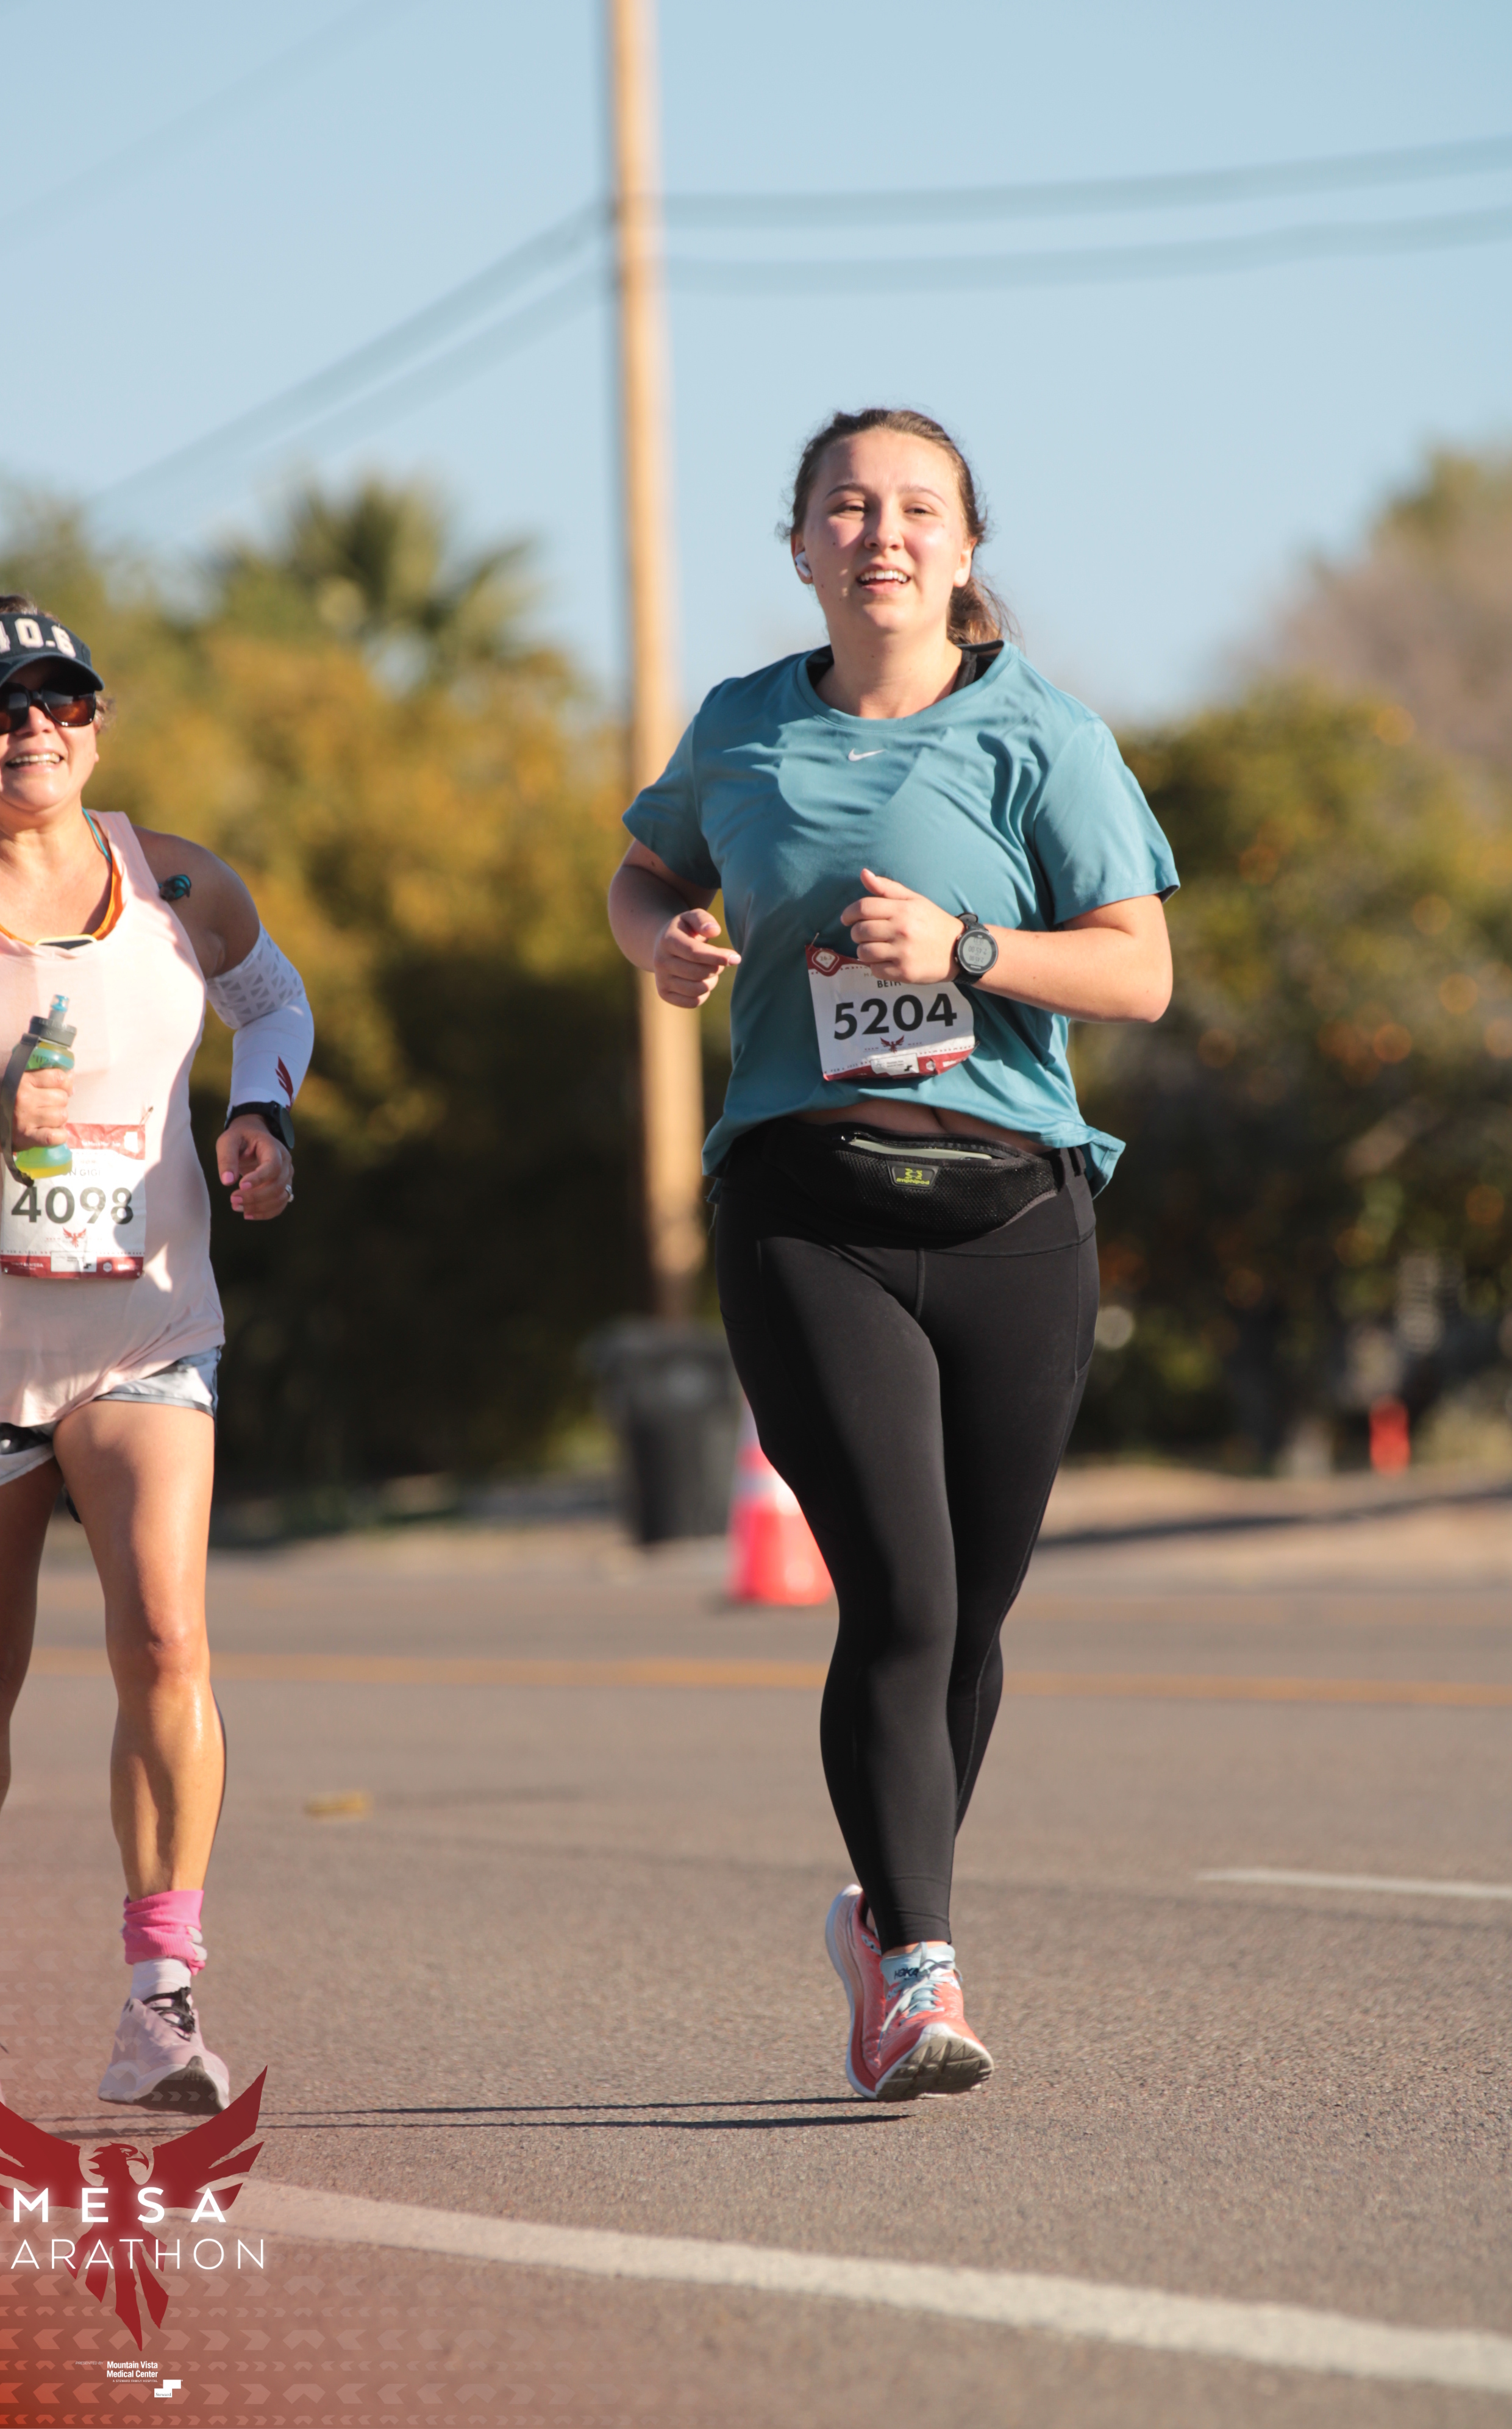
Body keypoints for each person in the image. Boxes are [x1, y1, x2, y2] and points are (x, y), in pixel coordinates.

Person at [609, 409, 1176, 2102]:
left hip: (1015, 1214)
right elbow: (642, 874)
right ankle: (921, 1973)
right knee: (903, 1596)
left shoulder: (1042, 732)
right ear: (799, 547)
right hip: (809, 1208)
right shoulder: (742, 726)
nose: (883, 534)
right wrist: (663, 943)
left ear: (965, 545)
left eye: (917, 507)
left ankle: (879, 1913)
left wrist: (966, 948)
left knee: (972, 1617)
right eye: (847, 507)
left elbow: (1138, 972)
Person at [0, 594, 313, 2122]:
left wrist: (261, 1114)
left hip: (147, 1324)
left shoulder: (176, 879)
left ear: (95, 722)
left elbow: (273, 999)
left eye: (61, 701)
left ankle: (161, 2000)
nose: (34, 730)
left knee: (167, 1642)